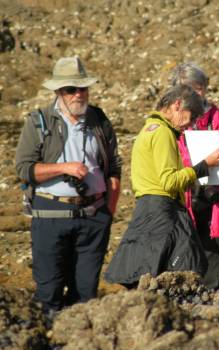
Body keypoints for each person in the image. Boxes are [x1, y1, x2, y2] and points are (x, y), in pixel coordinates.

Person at [15, 56, 121, 313]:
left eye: (82, 88)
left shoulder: (99, 119)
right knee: (48, 292)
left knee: (85, 295)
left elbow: (114, 168)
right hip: (50, 216)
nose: (78, 95)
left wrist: (108, 212)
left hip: (94, 218)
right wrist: (65, 168)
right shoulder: (39, 122)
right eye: (71, 89)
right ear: (58, 92)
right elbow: (24, 169)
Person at [105, 85, 219, 288]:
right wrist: (204, 166)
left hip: (149, 209)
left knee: (146, 271)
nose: (191, 124)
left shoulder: (149, 129)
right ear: (177, 105)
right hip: (162, 211)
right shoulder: (162, 133)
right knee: (177, 273)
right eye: (192, 116)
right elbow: (169, 182)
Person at [171, 63, 219, 290]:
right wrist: (205, 164)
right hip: (185, 198)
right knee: (184, 263)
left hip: (215, 201)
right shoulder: (173, 123)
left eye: (198, 87)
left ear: (205, 88)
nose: (193, 93)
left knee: (214, 262)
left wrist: (197, 167)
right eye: (187, 88)